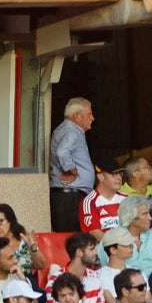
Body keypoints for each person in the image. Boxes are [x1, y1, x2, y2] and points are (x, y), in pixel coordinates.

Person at [49, 97, 96, 231]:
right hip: (70, 198)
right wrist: (72, 170)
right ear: (77, 116)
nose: (92, 118)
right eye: (89, 114)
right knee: (73, 241)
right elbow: (62, 152)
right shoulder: (71, 131)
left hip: (70, 196)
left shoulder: (67, 130)